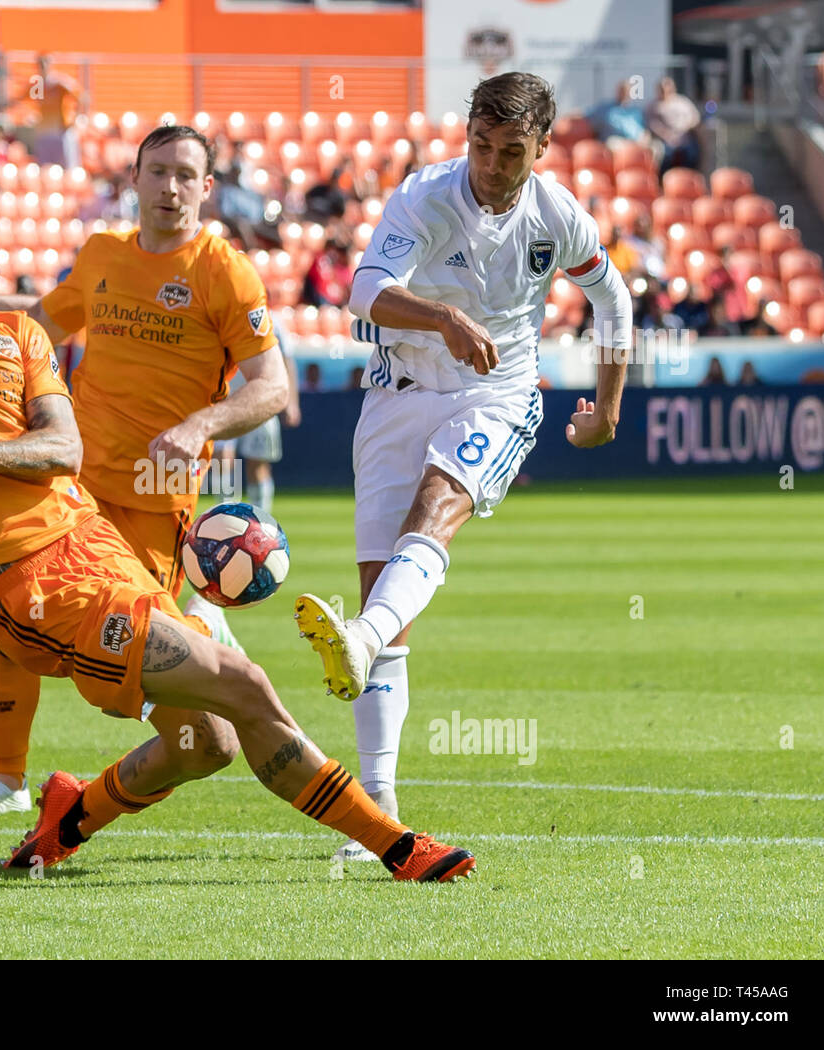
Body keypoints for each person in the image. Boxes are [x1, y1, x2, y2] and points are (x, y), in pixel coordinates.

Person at [0, 120, 476, 883]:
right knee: (245, 681)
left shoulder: (17, 340)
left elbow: (64, 451)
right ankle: (397, 847)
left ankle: (71, 816)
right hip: (32, 587)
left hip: (103, 543)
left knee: (210, 744)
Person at [0, 126, 291, 818]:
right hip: (70, 485)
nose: (171, 187)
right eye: (158, 172)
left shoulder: (225, 271)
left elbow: (272, 386)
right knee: (15, 620)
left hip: (157, 498)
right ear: (134, 179)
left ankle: (142, 766)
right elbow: (36, 324)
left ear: (208, 188)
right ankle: (6, 782)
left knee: (135, 653)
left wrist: (199, 426)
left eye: (187, 174)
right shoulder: (100, 255)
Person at [298, 72, 632, 861]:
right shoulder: (425, 195)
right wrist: (441, 317)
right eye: (480, 145)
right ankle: (375, 815)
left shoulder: (558, 217)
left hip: (499, 393)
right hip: (397, 392)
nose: (490, 163)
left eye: (510, 151)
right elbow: (363, 292)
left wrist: (609, 408)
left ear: (541, 148)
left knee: (439, 506)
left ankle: (364, 633)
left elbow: (612, 300)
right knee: (388, 584)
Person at [237, 316, 300, 515]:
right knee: (223, 461)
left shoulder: (273, 320)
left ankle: (261, 520)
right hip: (225, 397)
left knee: (258, 463)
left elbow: (287, 360)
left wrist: (292, 402)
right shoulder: (222, 311)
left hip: (261, 399)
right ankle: (224, 520)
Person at [645, 77, 702, 175]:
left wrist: (686, 128)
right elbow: (652, 124)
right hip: (665, 140)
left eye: (667, 88)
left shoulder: (683, 102)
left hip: (685, 138)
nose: (665, 91)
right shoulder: (653, 105)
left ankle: (687, 181)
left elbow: (695, 117)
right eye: (662, 89)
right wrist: (667, 135)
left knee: (692, 154)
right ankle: (664, 182)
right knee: (665, 157)